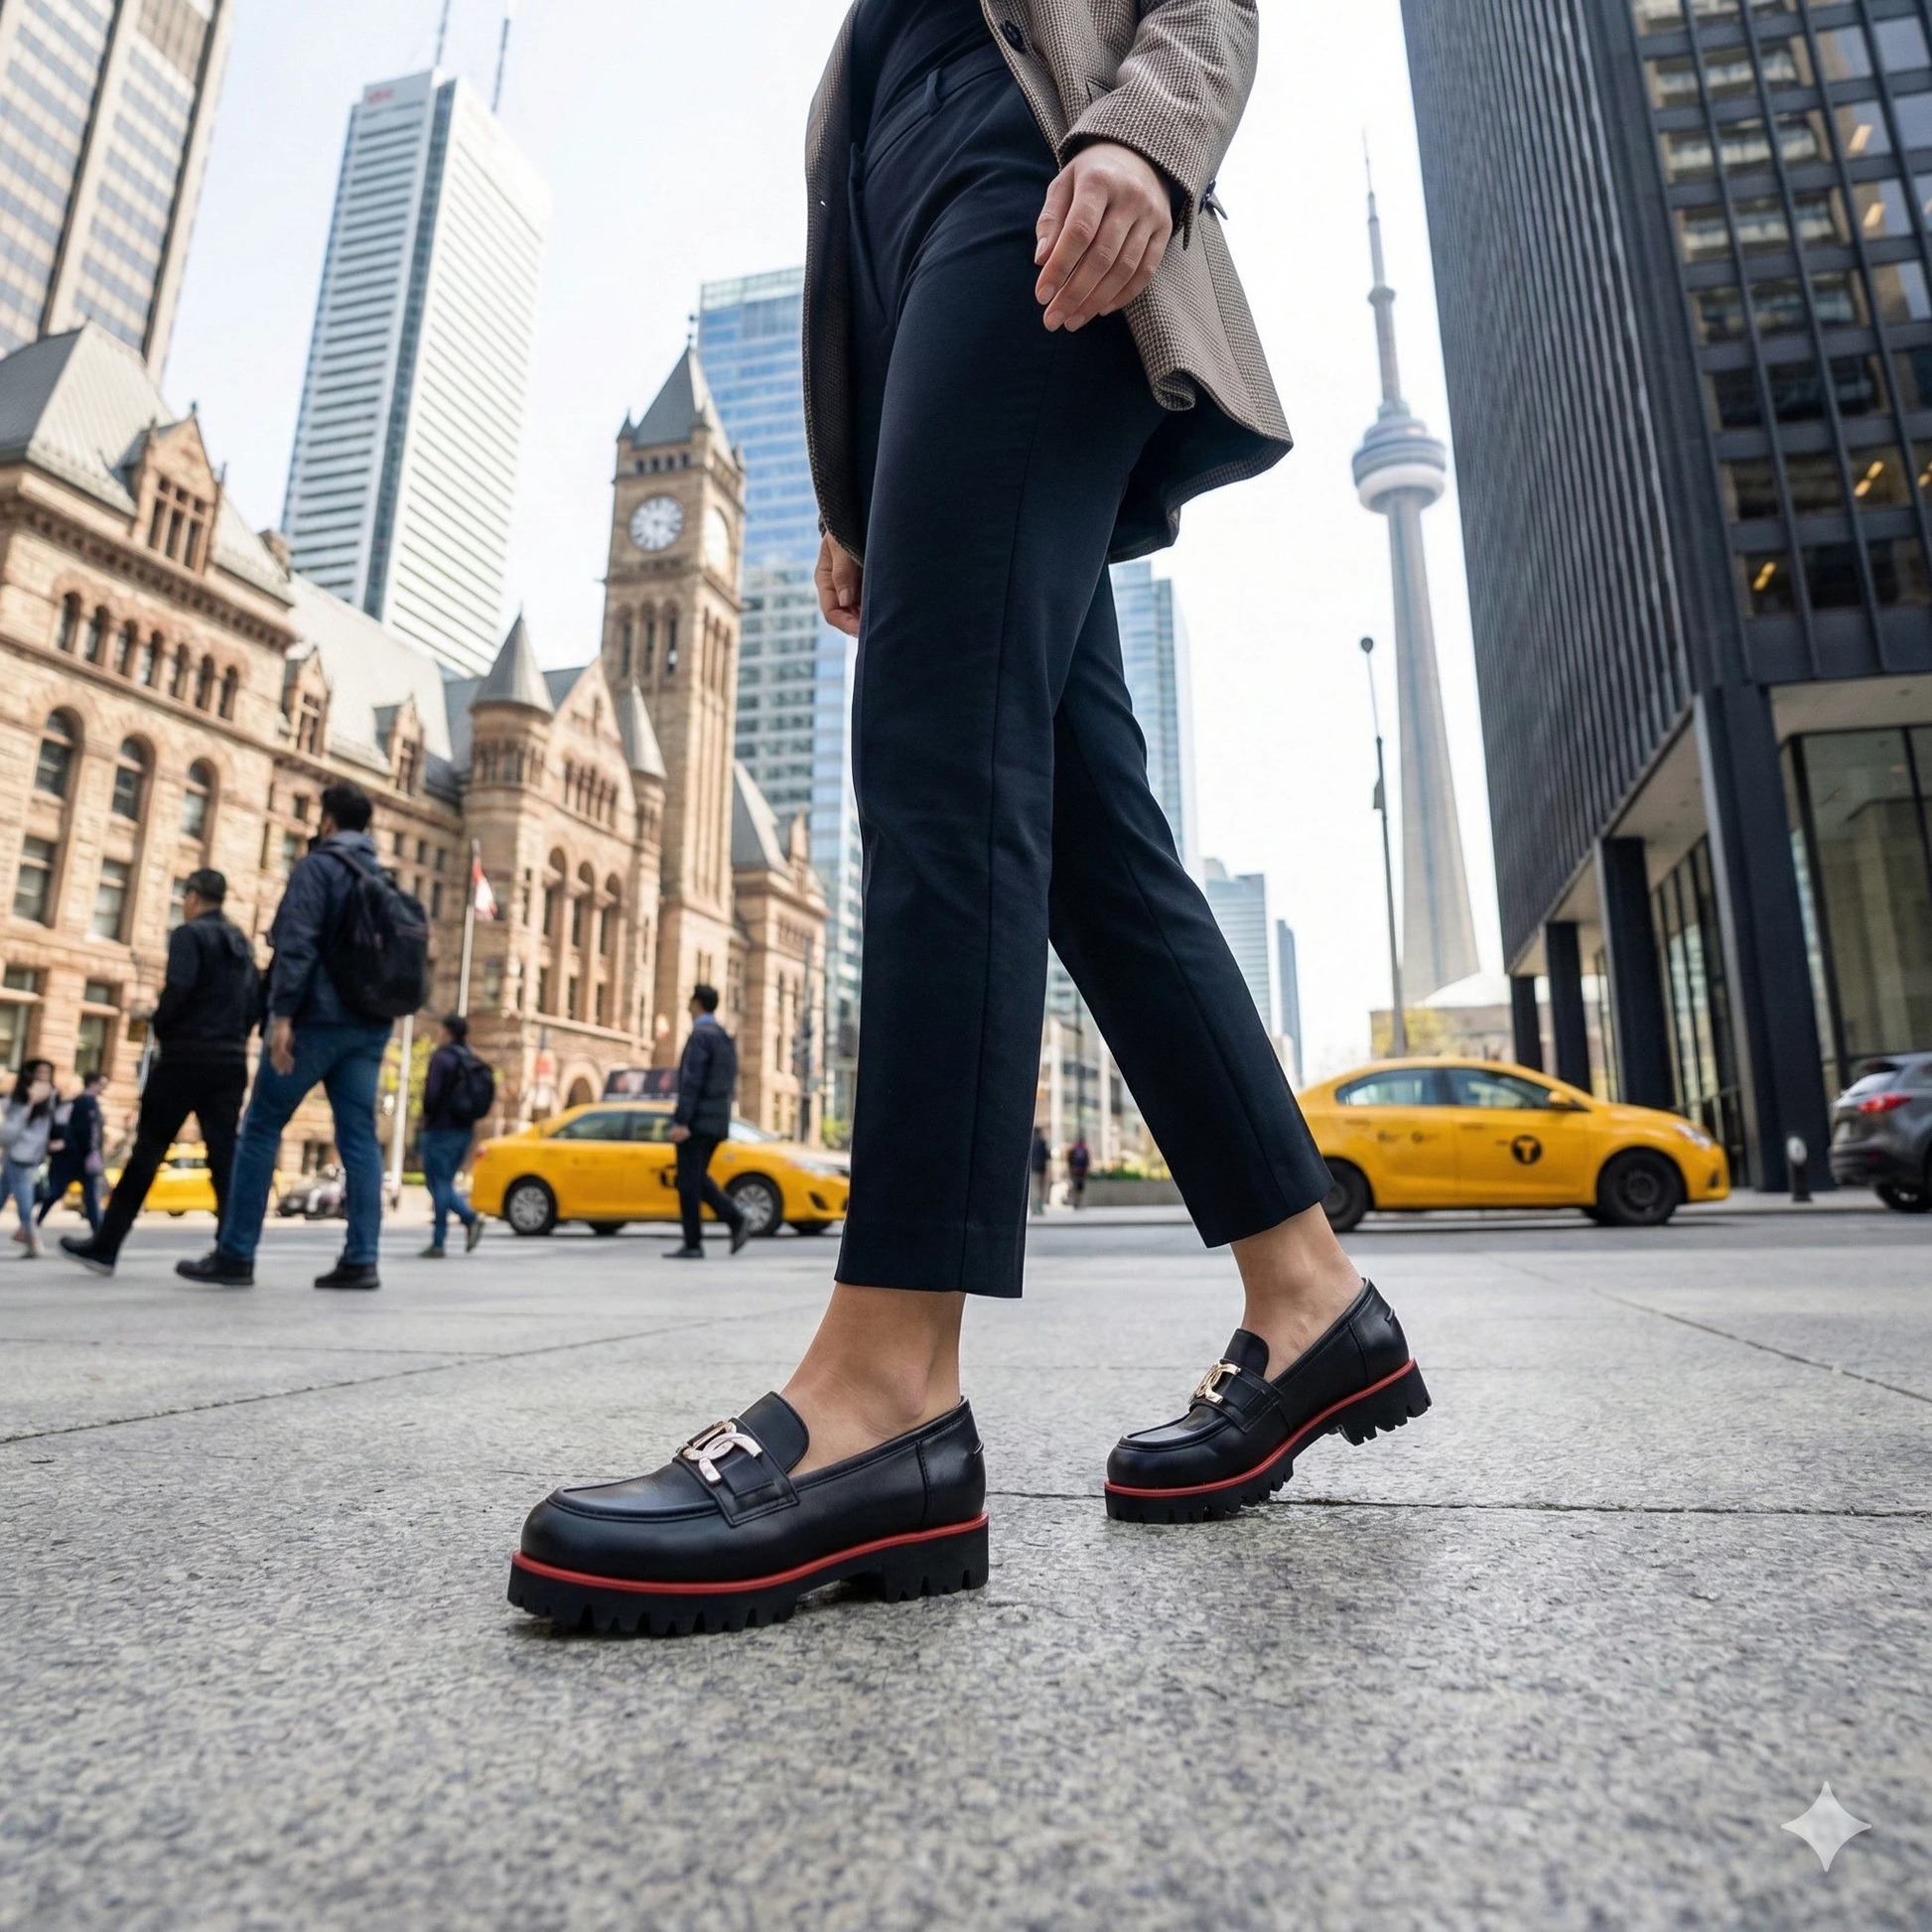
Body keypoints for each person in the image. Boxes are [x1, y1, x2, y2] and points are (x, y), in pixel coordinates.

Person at [509, 0, 1431, 1636]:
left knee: (939, 765)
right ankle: (1309, 1294)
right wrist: (861, 486)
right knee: (1085, 830)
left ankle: (889, 1388)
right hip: (950, 235)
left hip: (1041, 198)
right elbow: (865, 208)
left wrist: (1147, 135)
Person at [178, 784, 393, 1292]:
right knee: (359, 1139)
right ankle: (362, 1259)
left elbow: (296, 944)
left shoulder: (318, 867)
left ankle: (235, 1253)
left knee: (260, 1127)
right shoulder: (381, 876)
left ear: (327, 823)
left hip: (316, 1019)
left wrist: (283, 1017)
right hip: (370, 1025)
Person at [61, 873, 257, 1278]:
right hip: (230, 1059)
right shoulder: (241, 943)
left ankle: (106, 1246)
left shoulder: (190, 935)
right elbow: (256, 999)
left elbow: (178, 987)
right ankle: (233, 1253)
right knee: (224, 1157)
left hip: (186, 1056)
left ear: (193, 897)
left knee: (148, 1149)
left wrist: (163, 1024)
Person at [664, 985, 749, 1260]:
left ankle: (697, 1241)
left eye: (691, 1003)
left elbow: (692, 1080)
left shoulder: (700, 1036)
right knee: (695, 1178)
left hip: (697, 1121)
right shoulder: (724, 1036)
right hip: (717, 1119)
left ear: (697, 1004)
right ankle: (730, 1221)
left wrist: (682, 1120)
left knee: (688, 1181)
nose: (688, 1008)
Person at [418, 1015, 487, 1259]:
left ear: (447, 1032)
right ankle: (453, 1230)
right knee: (444, 1183)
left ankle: (445, 1237)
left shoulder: (443, 1058)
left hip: (441, 1129)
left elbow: (432, 1095)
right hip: (465, 1130)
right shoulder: (471, 1057)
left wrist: (425, 1117)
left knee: (439, 1184)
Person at [40, 1071, 106, 1238]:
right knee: (63, 1193)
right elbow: (86, 1132)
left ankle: (98, 1233)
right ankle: (98, 1233)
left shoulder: (83, 1102)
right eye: (102, 1084)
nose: (104, 1088)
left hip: (78, 1158)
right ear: (93, 1083)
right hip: (77, 1158)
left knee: (88, 1197)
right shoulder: (84, 1102)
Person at [1, 1061, 57, 1259]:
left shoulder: (50, 1100)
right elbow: (7, 1133)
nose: (44, 1078)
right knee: (24, 1201)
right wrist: (29, 1103)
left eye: (47, 1073)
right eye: (39, 1073)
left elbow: (52, 1128)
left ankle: (32, 1241)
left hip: (28, 1157)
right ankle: (34, 1241)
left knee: (5, 1196)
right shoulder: (16, 1101)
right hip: (19, 1156)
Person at [1030, 1127, 1050, 1215]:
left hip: (1033, 1168)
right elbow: (1047, 1157)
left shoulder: (1030, 1142)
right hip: (1042, 1168)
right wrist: (1048, 1170)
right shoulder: (1042, 1142)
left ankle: (1034, 1207)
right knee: (1041, 1188)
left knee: (1034, 1188)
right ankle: (1039, 1206)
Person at [1067, 1134, 1091, 1209]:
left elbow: (1069, 1160)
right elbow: (1087, 1161)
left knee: (1075, 1186)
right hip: (1082, 1172)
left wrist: (1070, 1169)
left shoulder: (1073, 1149)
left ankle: (1075, 1202)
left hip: (1074, 1171)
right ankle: (1079, 1202)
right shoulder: (1084, 1149)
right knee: (1080, 1188)